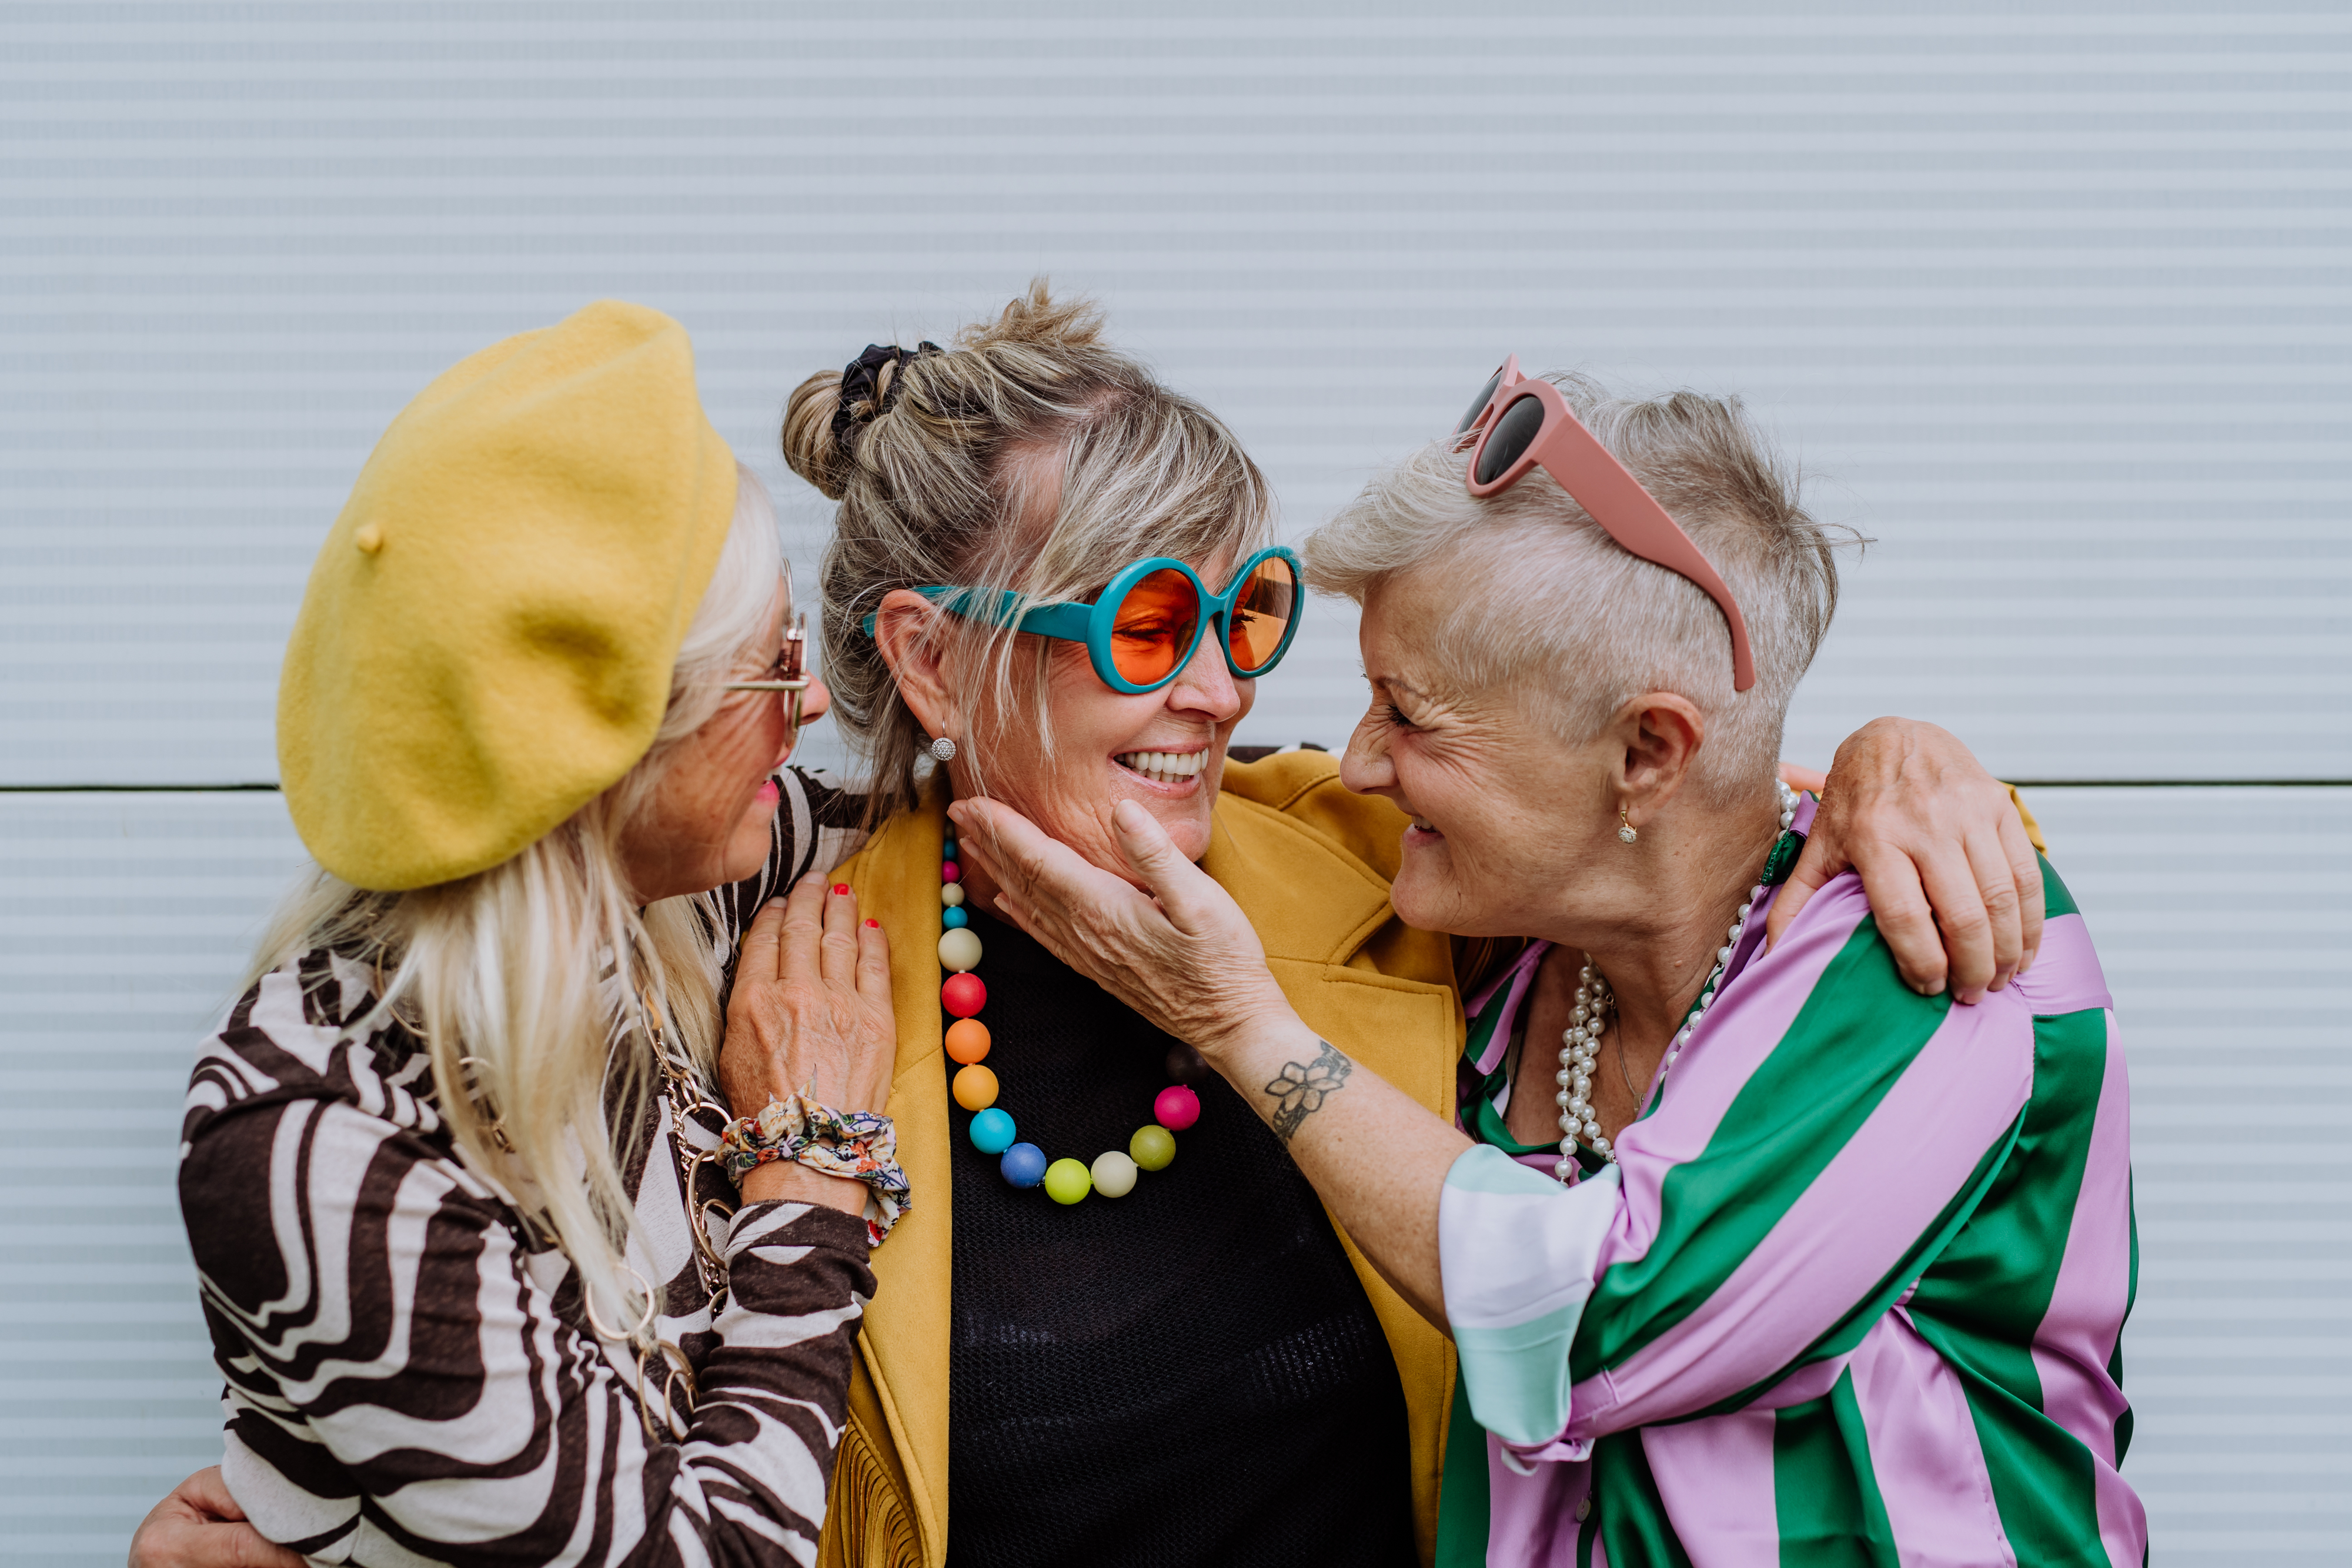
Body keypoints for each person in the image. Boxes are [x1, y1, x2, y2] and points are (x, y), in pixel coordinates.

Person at [771, 287, 2056, 1568]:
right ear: (933, 662)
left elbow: (1664, 813)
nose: (1221, 693)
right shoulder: (794, 992)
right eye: (1146, 626)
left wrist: (1902, 766)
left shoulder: (1374, 871)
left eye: (1241, 616)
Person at [131, 304, 904, 1567]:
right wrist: (814, 1172)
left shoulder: (672, 886)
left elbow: (937, 820)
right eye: (770, 672)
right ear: (607, 754)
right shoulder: (322, 1142)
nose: (812, 703)